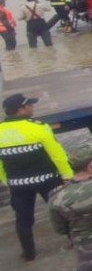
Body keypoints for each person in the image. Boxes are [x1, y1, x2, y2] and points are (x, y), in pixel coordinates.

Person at [0, 93, 74, 261]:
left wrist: (7, 181)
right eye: (29, 105)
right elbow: (57, 155)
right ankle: (76, 241)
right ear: (21, 109)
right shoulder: (39, 127)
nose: (32, 107)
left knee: (23, 219)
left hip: (18, 184)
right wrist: (67, 175)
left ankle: (29, 254)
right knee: (63, 211)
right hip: (47, 180)